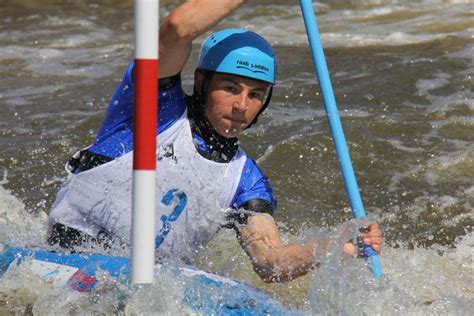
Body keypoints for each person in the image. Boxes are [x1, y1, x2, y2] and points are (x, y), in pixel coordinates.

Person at [47, 0, 382, 283]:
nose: (241, 106)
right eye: (231, 88)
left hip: (149, 284)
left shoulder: (245, 181)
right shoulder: (153, 108)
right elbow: (176, 29)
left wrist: (336, 245)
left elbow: (269, 262)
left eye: (256, 95)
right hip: (69, 254)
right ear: (202, 82)